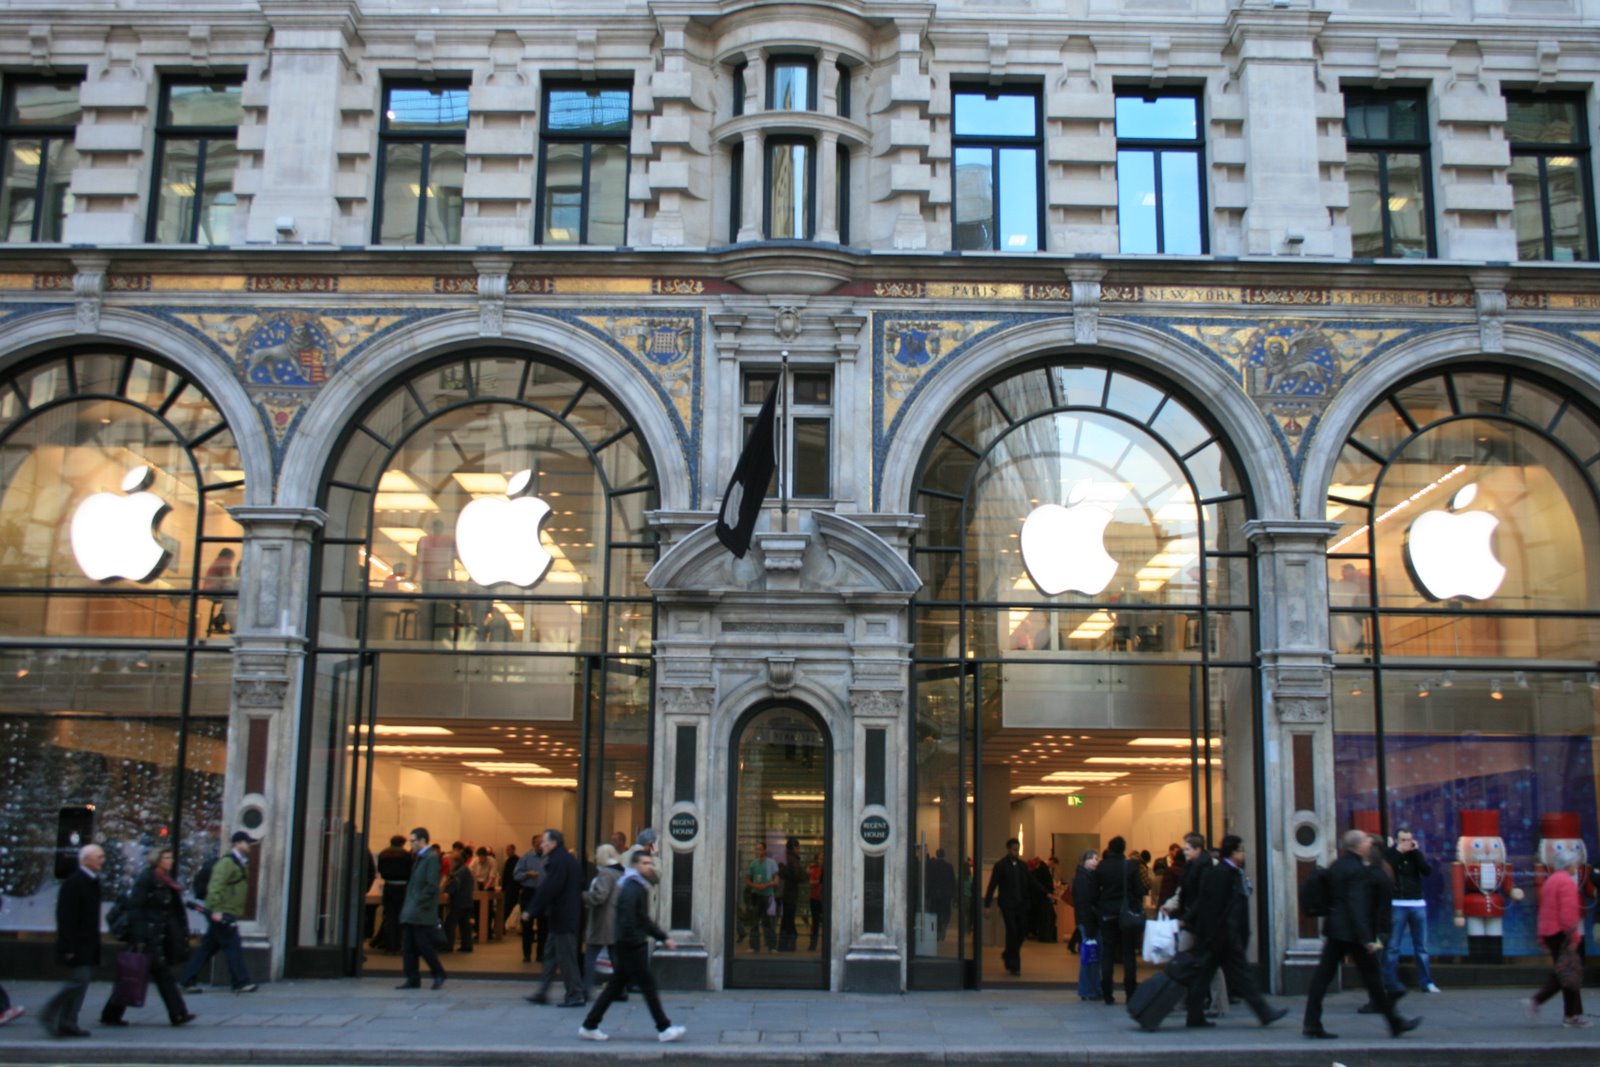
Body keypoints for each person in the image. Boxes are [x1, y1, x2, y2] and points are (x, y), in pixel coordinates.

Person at [1302, 829, 1420, 1040]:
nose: (1369, 844)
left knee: (1322, 977)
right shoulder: (1357, 870)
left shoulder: (1337, 866)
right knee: (1373, 978)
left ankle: (1311, 1023)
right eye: (1366, 841)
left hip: (1336, 929)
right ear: (1357, 846)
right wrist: (1367, 938)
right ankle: (1395, 1023)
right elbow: (1356, 905)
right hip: (1352, 933)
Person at [579, 850, 686, 1043]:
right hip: (631, 945)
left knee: (615, 988)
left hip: (627, 943)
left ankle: (589, 1025)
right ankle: (664, 1028)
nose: (649, 866)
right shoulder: (632, 887)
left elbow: (642, 918)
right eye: (645, 863)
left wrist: (661, 937)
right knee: (648, 987)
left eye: (650, 863)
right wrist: (650, 938)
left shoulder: (633, 885)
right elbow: (635, 919)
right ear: (636, 865)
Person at [1182, 834, 1287, 1029]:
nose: (1243, 854)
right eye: (1241, 850)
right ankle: (1264, 1012)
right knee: (1238, 976)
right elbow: (1212, 905)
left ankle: (1195, 1016)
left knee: (1205, 977)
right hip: (1221, 937)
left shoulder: (1226, 872)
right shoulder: (1222, 873)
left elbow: (1205, 902)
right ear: (1233, 852)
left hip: (1217, 937)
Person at [101, 847, 196, 1028]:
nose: (171, 860)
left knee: (135, 975)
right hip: (148, 936)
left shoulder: (165, 880)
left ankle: (111, 1013)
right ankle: (178, 1014)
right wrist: (140, 938)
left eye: (171, 857)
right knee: (157, 975)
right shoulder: (147, 879)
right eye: (167, 857)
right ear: (158, 861)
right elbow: (136, 908)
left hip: (158, 935)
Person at [178, 831, 258, 994]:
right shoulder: (227, 863)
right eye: (246, 843)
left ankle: (186, 980)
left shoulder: (239, 862)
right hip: (223, 912)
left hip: (225, 910)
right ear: (237, 843)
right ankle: (240, 982)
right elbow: (216, 885)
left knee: (207, 948)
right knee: (232, 946)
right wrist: (215, 910)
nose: (249, 846)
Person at [38, 843, 104, 1038]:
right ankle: (50, 1013)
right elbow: (66, 916)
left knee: (81, 982)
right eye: (98, 856)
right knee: (78, 980)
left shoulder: (90, 881)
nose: (102, 860)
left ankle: (69, 1021)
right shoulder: (76, 882)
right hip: (77, 943)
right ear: (86, 860)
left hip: (86, 942)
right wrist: (68, 946)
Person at [1527, 848, 1589, 1028]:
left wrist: (1541, 936)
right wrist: (1574, 936)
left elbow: (1545, 910)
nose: (1577, 867)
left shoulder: (1551, 881)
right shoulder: (1567, 883)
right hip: (1562, 933)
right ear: (1569, 864)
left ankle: (1570, 1013)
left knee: (1564, 972)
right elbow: (1569, 913)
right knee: (1568, 973)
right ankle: (1569, 1014)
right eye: (1575, 863)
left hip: (1550, 932)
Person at [1168, 832, 1226, 1019]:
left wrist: (1185, 916)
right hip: (1193, 921)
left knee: (1210, 965)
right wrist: (1170, 906)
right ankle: (1180, 1001)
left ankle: (1218, 1004)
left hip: (1204, 923)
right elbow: (1182, 892)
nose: (1183, 852)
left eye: (1187, 849)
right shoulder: (1191, 867)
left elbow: (1203, 898)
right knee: (1181, 959)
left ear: (1197, 849)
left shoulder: (1208, 868)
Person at [525, 828, 585, 1007]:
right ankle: (542, 991)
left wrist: (531, 909)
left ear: (553, 843)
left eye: (544, 841)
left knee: (566, 957)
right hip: (564, 915)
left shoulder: (558, 861)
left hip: (563, 917)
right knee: (550, 954)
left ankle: (575, 994)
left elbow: (549, 888)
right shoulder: (567, 859)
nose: (541, 844)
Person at [1382, 827, 1439, 995]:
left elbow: (1427, 871)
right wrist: (1399, 851)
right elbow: (1387, 869)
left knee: (1422, 947)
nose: (1407, 843)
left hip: (1417, 903)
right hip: (1397, 903)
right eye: (1403, 840)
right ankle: (1389, 982)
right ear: (1396, 841)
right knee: (1393, 946)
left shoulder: (1416, 855)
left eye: (1409, 839)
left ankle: (1426, 982)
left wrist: (1416, 853)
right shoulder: (1390, 854)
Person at [984, 837, 1045, 976]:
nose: (1016, 852)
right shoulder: (1000, 866)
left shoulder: (1022, 866)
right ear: (1008, 849)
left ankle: (1008, 954)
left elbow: (1032, 881)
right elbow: (992, 885)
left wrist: (1046, 892)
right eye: (1014, 850)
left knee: (1022, 931)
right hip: (1007, 905)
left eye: (1018, 850)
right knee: (1012, 932)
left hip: (1022, 904)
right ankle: (1014, 965)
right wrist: (987, 904)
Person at [395, 827, 446, 990]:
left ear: (423, 840)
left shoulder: (430, 858)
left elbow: (432, 885)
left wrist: (417, 902)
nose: (411, 844)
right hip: (413, 909)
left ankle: (438, 973)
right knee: (409, 946)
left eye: (413, 841)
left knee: (423, 944)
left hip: (421, 911)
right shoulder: (420, 858)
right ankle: (413, 978)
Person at [1094, 836, 1140, 1004]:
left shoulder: (1102, 867)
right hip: (1126, 913)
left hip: (1107, 912)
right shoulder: (1130, 866)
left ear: (1110, 848)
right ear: (1124, 848)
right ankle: (1130, 992)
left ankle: (1107, 992)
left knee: (1108, 951)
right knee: (1128, 952)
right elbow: (1139, 889)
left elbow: (1095, 891)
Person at [583, 843, 625, 987]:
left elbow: (599, 896)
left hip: (603, 920)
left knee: (591, 954)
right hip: (615, 919)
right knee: (615, 955)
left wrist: (584, 896)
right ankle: (621, 988)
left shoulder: (606, 873)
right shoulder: (620, 872)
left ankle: (587, 988)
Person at [371, 834, 411, 952]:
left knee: (389, 917)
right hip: (402, 888)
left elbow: (380, 870)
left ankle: (389, 945)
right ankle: (398, 945)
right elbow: (410, 870)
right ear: (402, 843)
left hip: (388, 886)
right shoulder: (406, 854)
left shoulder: (384, 853)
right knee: (400, 917)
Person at [1072, 849, 1101, 1001]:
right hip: (1088, 922)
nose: (1096, 861)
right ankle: (1088, 989)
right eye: (1093, 858)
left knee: (1090, 956)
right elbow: (1084, 903)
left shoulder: (1085, 877)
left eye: (1097, 858)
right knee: (1090, 957)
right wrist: (1089, 924)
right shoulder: (1083, 879)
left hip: (1087, 921)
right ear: (1085, 861)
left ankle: (1090, 988)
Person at [514, 834, 547, 963]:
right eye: (538, 843)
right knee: (527, 925)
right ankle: (527, 954)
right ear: (533, 844)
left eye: (542, 843)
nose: (540, 845)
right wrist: (527, 874)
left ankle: (541, 954)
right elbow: (516, 875)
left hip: (544, 894)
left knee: (543, 925)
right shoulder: (526, 858)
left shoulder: (549, 857)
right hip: (529, 893)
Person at [745, 840, 779, 953]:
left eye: (760, 849)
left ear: (765, 850)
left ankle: (772, 946)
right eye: (756, 849)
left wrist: (768, 884)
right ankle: (754, 946)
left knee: (768, 921)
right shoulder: (753, 864)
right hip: (756, 894)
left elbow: (776, 879)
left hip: (768, 894)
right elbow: (748, 879)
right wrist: (754, 885)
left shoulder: (771, 862)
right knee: (755, 921)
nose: (758, 851)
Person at [443, 846, 476, 952]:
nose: (449, 864)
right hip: (467, 901)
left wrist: (447, 892)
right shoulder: (465, 869)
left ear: (456, 862)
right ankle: (467, 945)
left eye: (451, 862)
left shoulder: (460, 871)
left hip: (459, 902)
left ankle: (447, 945)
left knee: (449, 923)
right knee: (465, 925)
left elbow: (455, 883)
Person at [777, 837, 806, 952]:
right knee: (789, 919)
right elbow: (799, 876)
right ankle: (789, 944)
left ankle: (782, 944)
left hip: (783, 894)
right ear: (794, 848)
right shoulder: (793, 860)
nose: (799, 850)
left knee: (785, 919)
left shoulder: (784, 858)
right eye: (798, 847)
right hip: (790, 894)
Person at [201, 547, 236, 635]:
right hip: (216, 591)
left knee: (231, 599)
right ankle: (222, 620)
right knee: (236, 598)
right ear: (230, 557)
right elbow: (228, 581)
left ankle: (221, 618)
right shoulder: (225, 563)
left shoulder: (216, 562)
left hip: (208, 591)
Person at [925, 848, 954, 944]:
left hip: (934, 894)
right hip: (946, 895)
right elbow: (952, 882)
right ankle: (943, 928)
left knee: (935, 913)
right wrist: (952, 894)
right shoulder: (949, 867)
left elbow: (929, 880)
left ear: (936, 855)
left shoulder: (932, 865)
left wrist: (927, 893)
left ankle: (937, 931)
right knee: (945, 913)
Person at [808, 850, 827, 950]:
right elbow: (811, 882)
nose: (822, 860)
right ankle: (813, 944)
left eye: (823, 858)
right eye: (820, 858)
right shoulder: (814, 869)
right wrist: (819, 882)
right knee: (815, 922)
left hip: (824, 899)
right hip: (815, 898)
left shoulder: (828, 869)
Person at [500, 844, 520, 938]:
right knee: (506, 907)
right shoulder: (508, 861)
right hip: (508, 888)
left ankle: (502, 925)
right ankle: (501, 926)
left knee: (508, 907)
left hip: (514, 888)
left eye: (509, 850)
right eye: (506, 850)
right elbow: (505, 876)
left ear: (513, 850)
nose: (507, 851)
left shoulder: (517, 860)